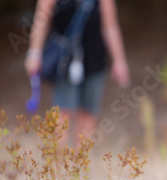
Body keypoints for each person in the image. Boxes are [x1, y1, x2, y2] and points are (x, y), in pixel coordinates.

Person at [24, 0, 130, 146]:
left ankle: (79, 162)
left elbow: (110, 25)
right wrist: (34, 53)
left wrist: (119, 60)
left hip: (95, 59)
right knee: (63, 111)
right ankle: (59, 162)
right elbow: (41, 20)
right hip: (65, 60)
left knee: (88, 111)